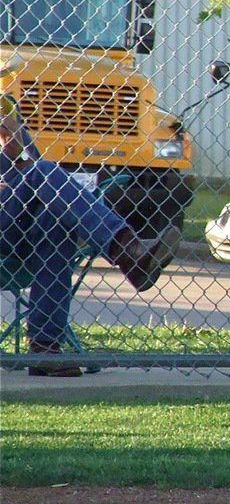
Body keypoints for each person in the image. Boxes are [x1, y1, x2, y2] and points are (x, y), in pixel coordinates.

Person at [0, 97, 177, 377]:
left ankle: (45, 349)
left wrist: (16, 150)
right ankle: (127, 251)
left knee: (54, 218)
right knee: (46, 174)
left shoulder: (3, 108)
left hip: (14, 224)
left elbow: (28, 167)